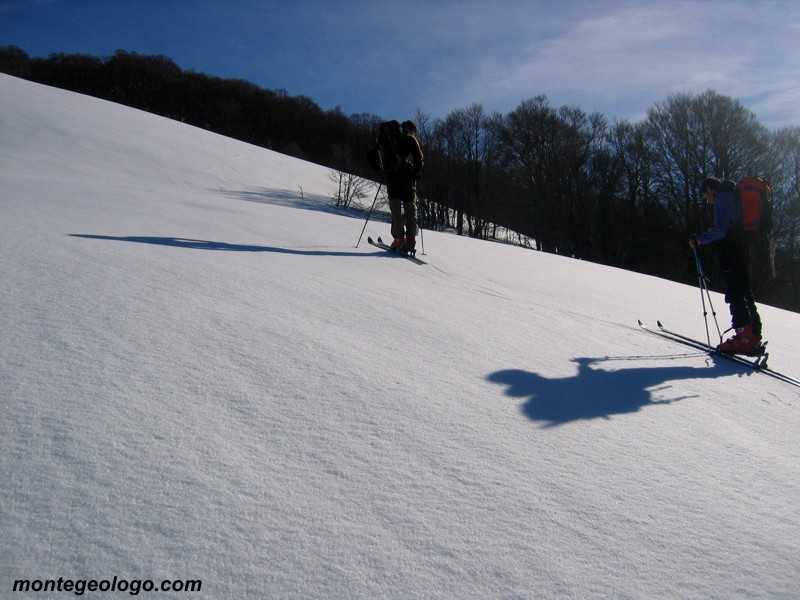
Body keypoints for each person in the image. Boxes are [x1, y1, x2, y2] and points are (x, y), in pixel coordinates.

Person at [690, 177, 763, 353]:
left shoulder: (722, 198)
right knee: (744, 290)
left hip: (730, 249)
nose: (708, 200)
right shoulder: (734, 195)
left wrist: (699, 240)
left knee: (734, 291)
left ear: (710, 190)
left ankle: (743, 337)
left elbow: (721, 230)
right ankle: (753, 334)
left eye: (706, 196)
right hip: (742, 248)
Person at [386, 120, 424, 253]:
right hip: (407, 180)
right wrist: (415, 172)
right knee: (410, 208)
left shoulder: (389, 139)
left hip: (392, 178)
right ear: (412, 130)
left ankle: (399, 239)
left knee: (395, 210)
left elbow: (377, 157)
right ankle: (410, 239)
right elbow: (419, 158)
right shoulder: (411, 139)